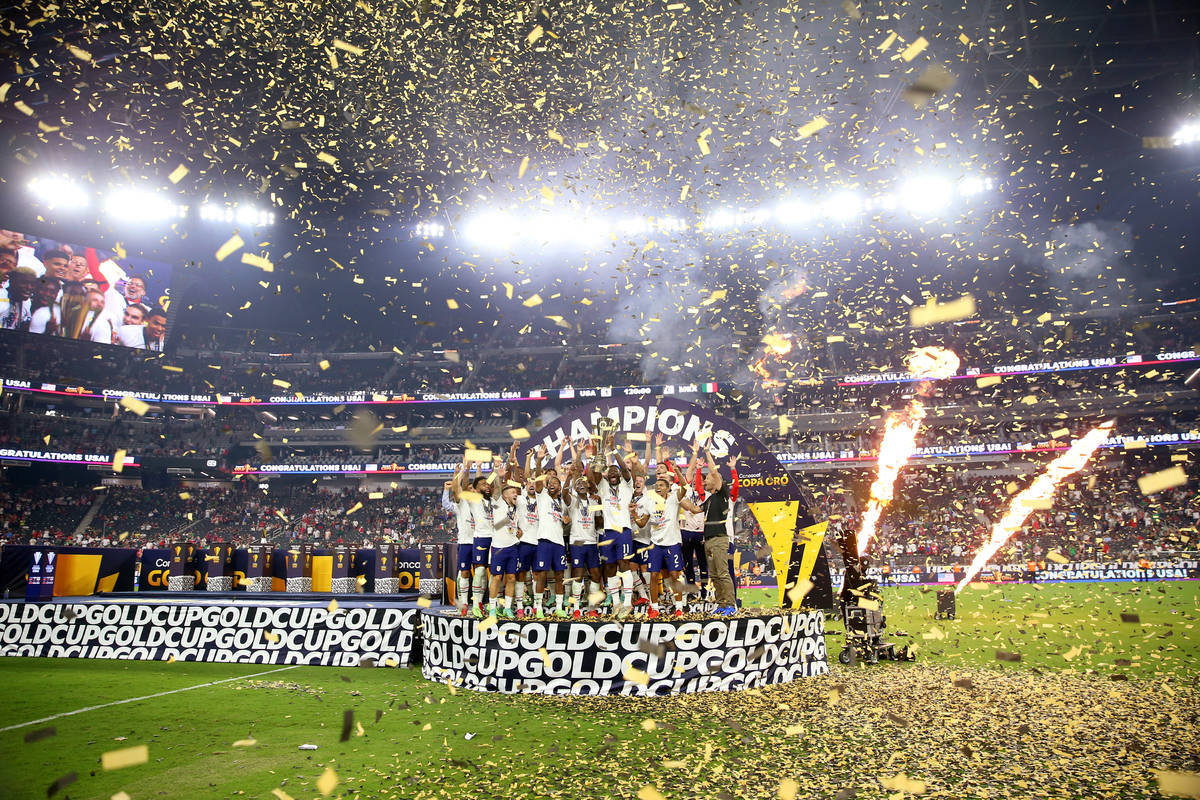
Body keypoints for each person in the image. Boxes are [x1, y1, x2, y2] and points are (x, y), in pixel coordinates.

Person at [634, 474, 703, 618]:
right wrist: (634, 514)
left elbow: (684, 487)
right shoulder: (649, 502)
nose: (658, 487)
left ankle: (678, 607)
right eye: (656, 486)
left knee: (674, 576)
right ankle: (654, 608)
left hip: (672, 543)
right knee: (653, 575)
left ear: (668, 488)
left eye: (661, 485)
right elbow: (642, 523)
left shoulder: (674, 499)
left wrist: (677, 470)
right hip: (656, 544)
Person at [591, 433, 642, 614]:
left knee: (624, 565)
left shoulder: (627, 485)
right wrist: (601, 451)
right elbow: (596, 473)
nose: (613, 472)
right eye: (610, 471)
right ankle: (615, 603)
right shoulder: (603, 486)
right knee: (610, 567)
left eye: (616, 471)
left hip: (623, 531)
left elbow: (624, 468)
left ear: (620, 475)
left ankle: (627, 602)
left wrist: (613, 449)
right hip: (607, 532)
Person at [564, 441, 603, 618]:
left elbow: (599, 522)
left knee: (596, 574)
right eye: (577, 483)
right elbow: (564, 494)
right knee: (577, 575)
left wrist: (601, 504)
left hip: (591, 541)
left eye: (583, 483)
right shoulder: (572, 500)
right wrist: (570, 476)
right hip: (577, 541)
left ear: (588, 486)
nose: (580, 484)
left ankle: (592, 608)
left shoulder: (594, 501)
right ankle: (577, 608)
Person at [698, 445, 738, 616]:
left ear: (716, 481)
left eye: (706, 479)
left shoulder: (722, 494)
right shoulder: (709, 500)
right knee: (714, 576)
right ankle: (721, 604)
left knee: (722, 573)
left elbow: (714, 472)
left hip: (720, 539)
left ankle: (731, 605)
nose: (705, 481)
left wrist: (707, 452)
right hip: (708, 541)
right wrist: (673, 498)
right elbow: (693, 509)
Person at [486, 481, 523, 619]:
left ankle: (507, 608)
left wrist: (519, 531)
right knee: (496, 577)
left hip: (513, 546)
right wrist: (497, 473)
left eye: (516, 492)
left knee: (512, 578)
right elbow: (496, 488)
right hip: (499, 547)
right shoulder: (498, 503)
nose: (516, 495)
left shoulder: (516, 509)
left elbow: (514, 525)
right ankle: (493, 609)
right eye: (513, 492)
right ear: (505, 495)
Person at [443, 461, 475, 616]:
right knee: (464, 573)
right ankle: (463, 604)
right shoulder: (461, 503)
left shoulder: (481, 503)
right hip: (465, 543)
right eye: (467, 489)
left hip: (481, 541)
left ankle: (479, 602)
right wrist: (461, 470)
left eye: (472, 489)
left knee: (481, 573)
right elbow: (453, 494)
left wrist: (466, 469)